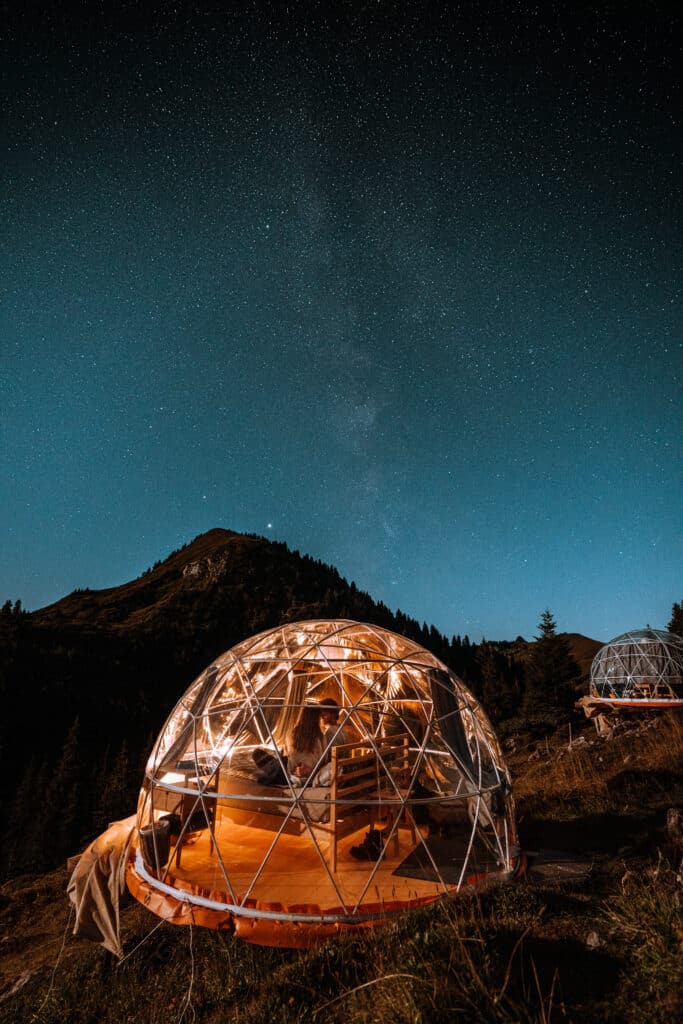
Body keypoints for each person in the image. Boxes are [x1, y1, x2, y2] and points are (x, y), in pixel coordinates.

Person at [286, 705, 326, 784]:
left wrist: (298, 770)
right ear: (316, 719)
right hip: (312, 777)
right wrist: (309, 770)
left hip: (292, 776)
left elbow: (289, 755)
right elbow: (323, 760)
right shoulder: (320, 736)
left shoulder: (292, 733)